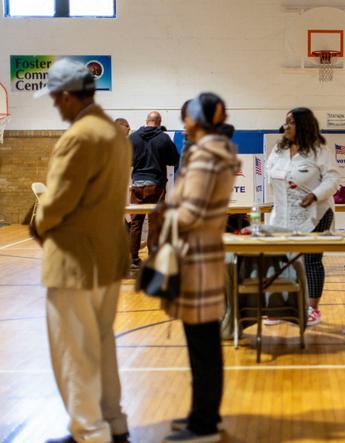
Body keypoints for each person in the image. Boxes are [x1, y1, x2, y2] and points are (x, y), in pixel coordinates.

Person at [31, 58, 131, 443]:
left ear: (70, 95)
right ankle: (113, 421)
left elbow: (56, 203)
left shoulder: (79, 136)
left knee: (74, 350)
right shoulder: (113, 133)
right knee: (101, 343)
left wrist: (37, 222)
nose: (56, 105)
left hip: (73, 259)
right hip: (106, 256)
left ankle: (90, 432)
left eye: (56, 98)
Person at [161, 93, 238, 443]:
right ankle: (201, 413)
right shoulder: (210, 151)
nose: (183, 123)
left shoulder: (207, 155)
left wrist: (163, 215)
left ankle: (204, 424)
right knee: (201, 343)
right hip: (200, 255)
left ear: (197, 119)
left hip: (197, 258)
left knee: (203, 344)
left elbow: (192, 213)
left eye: (186, 117)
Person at [265, 107, 340, 326]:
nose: (285, 126)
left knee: (310, 260)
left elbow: (332, 179)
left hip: (316, 213)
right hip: (283, 213)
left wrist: (315, 195)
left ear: (304, 125)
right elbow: (270, 171)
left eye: (291, 122)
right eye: (285, 122)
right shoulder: (278, 150)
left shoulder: (319, 150)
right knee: (282, 259)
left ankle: (312, 309)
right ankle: (282, 306)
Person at [129, 111, 180, 269]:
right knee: (154, 223)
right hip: (155, 185)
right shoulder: (163, 138)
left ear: (146, 121)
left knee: (136, 223)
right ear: (159, 122)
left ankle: (133, 259)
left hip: (137, 184)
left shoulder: (133, 137)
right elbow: (174, 160)